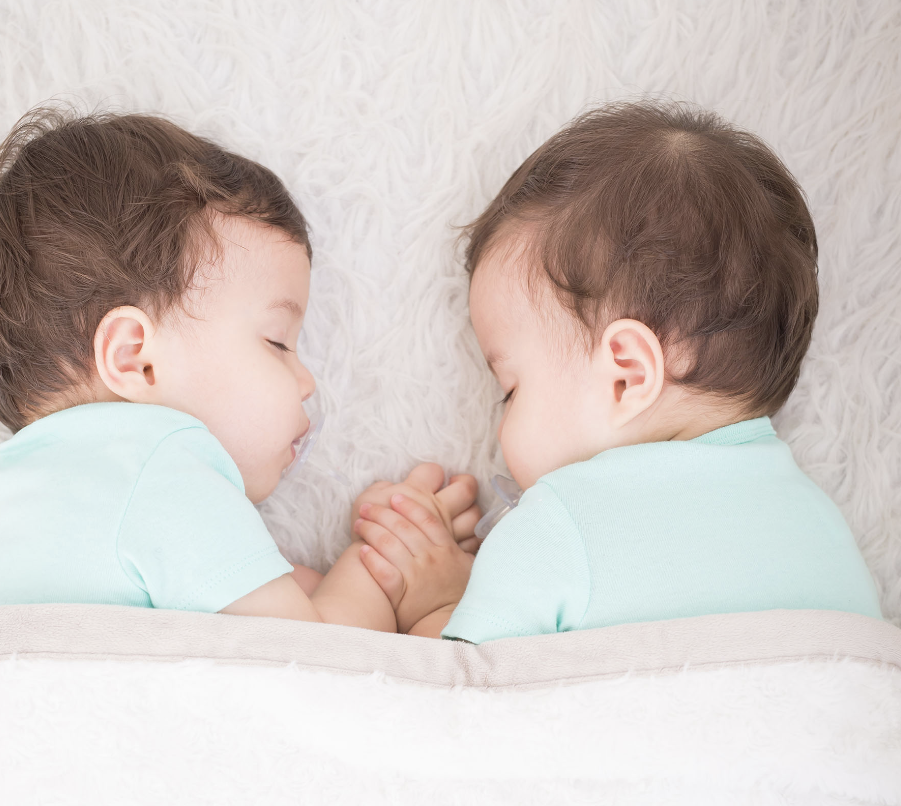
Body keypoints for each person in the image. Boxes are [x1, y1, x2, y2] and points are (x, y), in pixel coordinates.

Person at [355, 100, 883, 641]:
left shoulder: (558, 521)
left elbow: (468, 684)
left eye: (510, 390)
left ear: (626, 375)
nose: (498, 430)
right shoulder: (826, 530)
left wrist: (437, 600)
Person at [0, 107, 479, 632]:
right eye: (277, 342)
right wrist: (382, 560)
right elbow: (310, 653)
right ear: (135, 358)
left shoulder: (10, 494)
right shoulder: (161, 462)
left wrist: (323, 578)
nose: (308, 382)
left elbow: (227, 616)